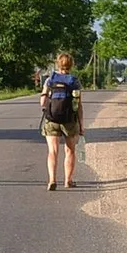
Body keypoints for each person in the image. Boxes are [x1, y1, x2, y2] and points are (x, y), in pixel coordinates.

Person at [39, 52, 85, 190]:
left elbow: (42, 102)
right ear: (71, 64)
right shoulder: (74, 81)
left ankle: (52, 180)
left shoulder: (50, 80)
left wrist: (47, 101)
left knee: (52, 151)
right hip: (69, 120)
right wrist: (81, 125)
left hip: (52, 119)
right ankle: (68, 181)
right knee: (70, 151)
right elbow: (78, 105)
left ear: (57, 64)